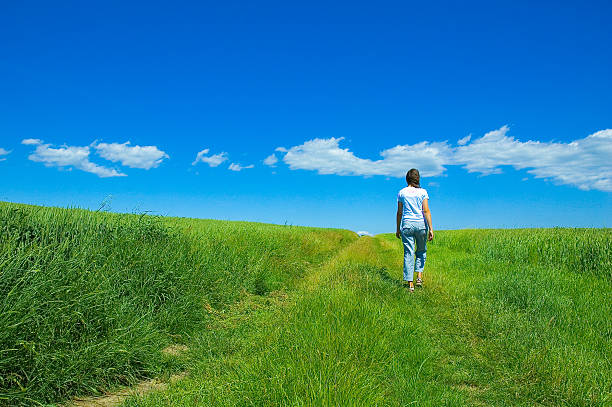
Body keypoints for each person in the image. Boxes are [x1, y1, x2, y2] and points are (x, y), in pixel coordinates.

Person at [395, 168, 434, 292]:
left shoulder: (402, 192)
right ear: (418, 179)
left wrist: (397, 228)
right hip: (421, 225)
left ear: (407, 179)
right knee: (421, 251)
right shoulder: (423, 192)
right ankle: (419, 277)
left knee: (408, 253)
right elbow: (426, 210)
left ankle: (410, 284)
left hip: (407, 224)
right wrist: (431, 229)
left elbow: (399, 212)